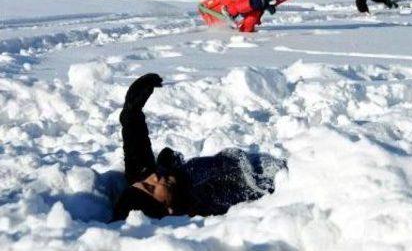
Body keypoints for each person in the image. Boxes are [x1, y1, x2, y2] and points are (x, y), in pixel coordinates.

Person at [111, 74, 285, 221]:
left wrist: (131, 110)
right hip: (272, 175)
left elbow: (135, 145)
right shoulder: (201, 204)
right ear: (166, 210)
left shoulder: (155, 177)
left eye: (144, 181)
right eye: (150, 188)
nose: (152, 178)